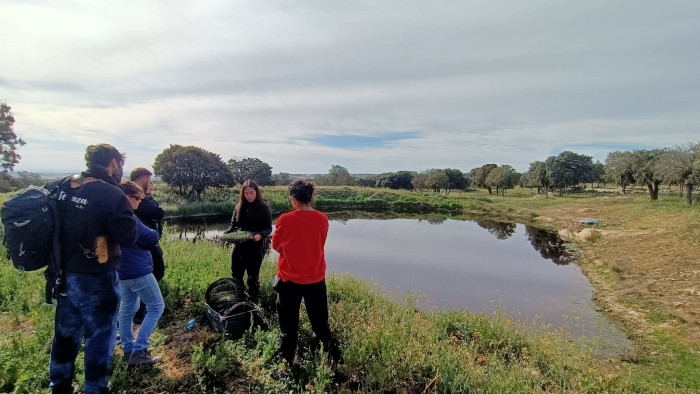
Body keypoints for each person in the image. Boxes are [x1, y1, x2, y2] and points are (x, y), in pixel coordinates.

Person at [49, 144, 138, 394]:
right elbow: (128, 236)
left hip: (62, 274)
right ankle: (96, 388)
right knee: (100, 335)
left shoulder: (63, 186)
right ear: (112, 163)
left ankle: (59, 385)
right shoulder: (111, 193)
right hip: (96, 278)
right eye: (119, 164)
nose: (121, 169)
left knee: (66, 334)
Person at [271, 180, 340, 365]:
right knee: (320, 325)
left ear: (294, 199)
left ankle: (286, 363)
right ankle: (326, 362)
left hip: (289, 282)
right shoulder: (323, 218)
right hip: (316, 281)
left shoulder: (285, 219)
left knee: (288, 327)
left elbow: (276, 245)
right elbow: (319, 242)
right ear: (311, 197)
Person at [117, 180, 164, 365]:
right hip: (137, 269)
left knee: (128, 309)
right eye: (136, 198)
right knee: (156, 307)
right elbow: (152, 236)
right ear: (126, 197)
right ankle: (139, 349)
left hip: (122, 270)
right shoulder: (128, 217)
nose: (139, 202)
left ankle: (128, 349)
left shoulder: (112, 216)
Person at [223, 180, 272, 303]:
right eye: (246, 193)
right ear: (243, 194)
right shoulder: (239, 206)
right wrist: (226, 233)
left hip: (256, 248)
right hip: (239, 247)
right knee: (236, 275)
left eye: (251, 193)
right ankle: (239, 299)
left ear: (257, 192)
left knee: (252, 277)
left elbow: (268, 228)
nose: (249, 195)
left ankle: (253, 301)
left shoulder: (263, 206)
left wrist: (261, 235)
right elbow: (232, 226)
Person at [129, 167, 165, 324]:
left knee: (144, 280)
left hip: (145, 246)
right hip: (145, 246)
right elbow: (158, 212)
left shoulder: (138, 199)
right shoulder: (137, 200)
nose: (151, 185)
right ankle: (141, 314)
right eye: (148, 181)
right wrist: (147, 196)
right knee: (152, 275)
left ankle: (138, 313)